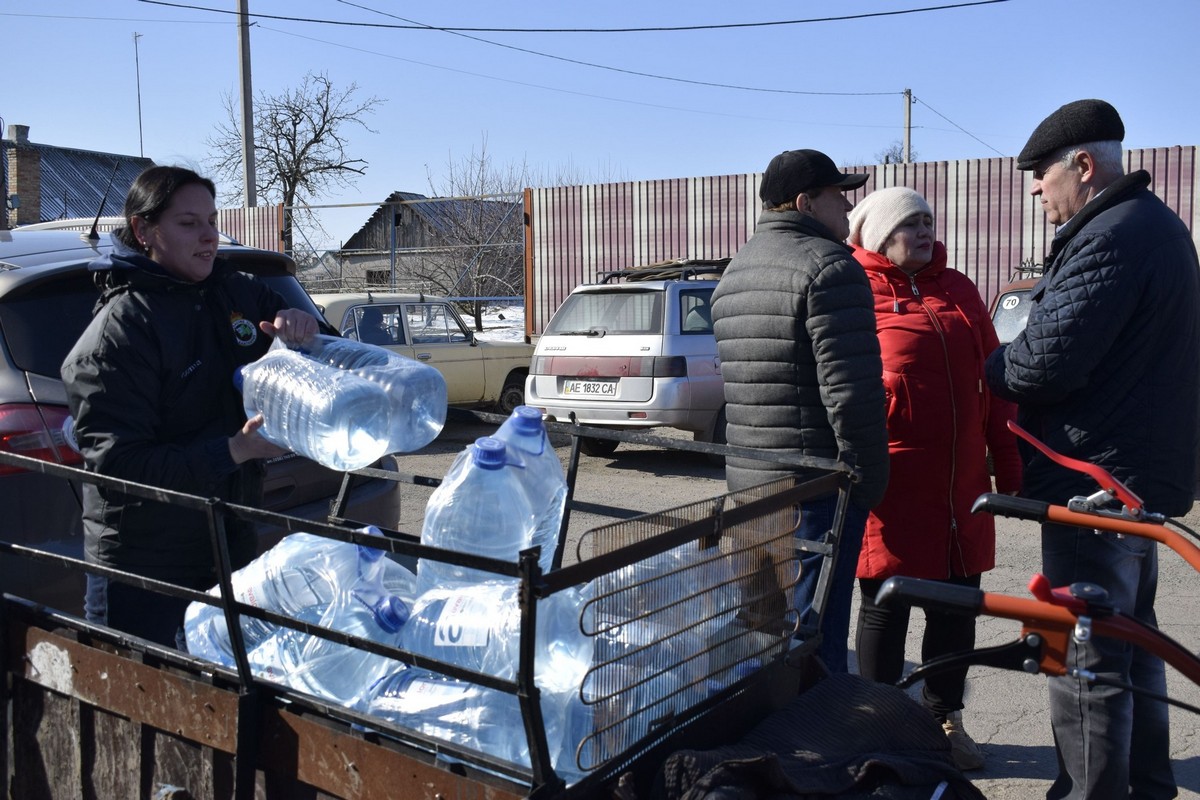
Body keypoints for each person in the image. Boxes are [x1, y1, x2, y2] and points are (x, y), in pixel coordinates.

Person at [986, 99, 1200, 799]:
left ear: (1083, 165)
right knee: (1134, 643)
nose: (1036, 190)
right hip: (1133, 476)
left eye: (1042, 175)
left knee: (1083, 657)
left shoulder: (1109, 236)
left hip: (1094, 484)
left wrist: (993, 365)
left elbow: (1039, 365)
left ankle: (1090, 793)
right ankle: (1145, 785)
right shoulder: (1158, 226)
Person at [61, 165, 320, 650]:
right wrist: (233, 451)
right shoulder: (120, 333)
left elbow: (315, 349)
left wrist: (301, 324)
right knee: (145, 707)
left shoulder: (235, 291)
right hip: (145, 569)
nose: (208, 236)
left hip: (228, 542)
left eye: (211, 220)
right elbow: (120, 465)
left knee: (223, 704)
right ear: (144, 231)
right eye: (188, 223)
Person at [846, 186, 1022, 770]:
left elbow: (994, 380)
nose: (924, 231)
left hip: (963, 482)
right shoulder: (855, 291)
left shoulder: (959, 287)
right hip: (894, 480)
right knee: (886, 603)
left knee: (956, 605)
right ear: (878, 236)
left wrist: (1008, 459)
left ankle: (945, 716)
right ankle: (878, 719)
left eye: (927, 221)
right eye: (909, 224)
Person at [710, 148, 889, 673]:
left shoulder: (735, 273)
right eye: (840, 196)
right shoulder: (832, 268)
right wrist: (870, 479)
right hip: (814, 486)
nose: (849, 210)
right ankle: (820, 740)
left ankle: (772, 741)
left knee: (764, 631)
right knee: (815, 637)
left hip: (750, 487)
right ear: (806, 202)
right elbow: (851, 394)